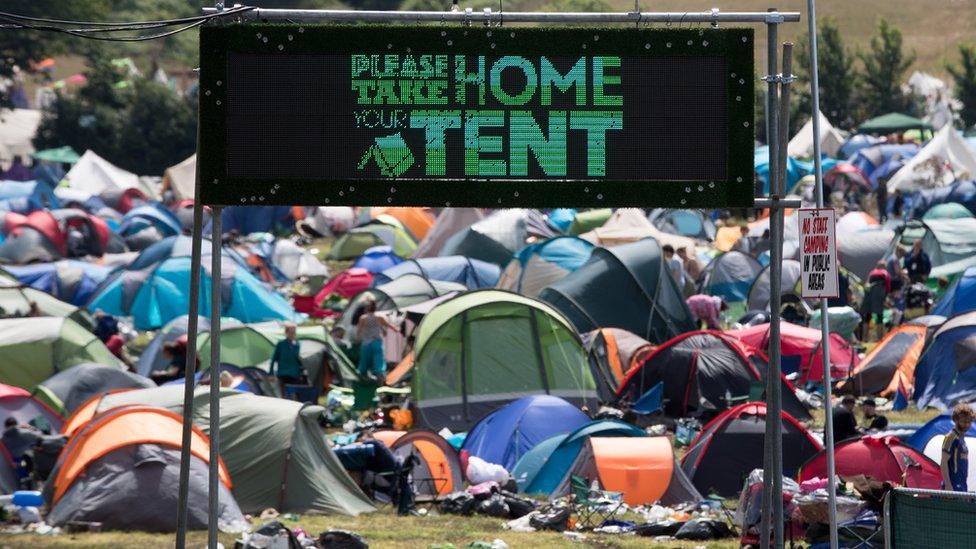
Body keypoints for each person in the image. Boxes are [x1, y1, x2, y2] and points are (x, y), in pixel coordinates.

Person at [356, 299, 396, 381]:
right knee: (379, 362)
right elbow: (390, 326)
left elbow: (359, 331)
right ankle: (380, 378)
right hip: (377, 342)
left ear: (366, 309)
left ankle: (363, 378)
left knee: (364, 362)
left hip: (366, 343)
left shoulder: (363, 318)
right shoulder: (379, 317)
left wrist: (358, 339)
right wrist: (396, 329)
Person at [941, 403, 973, 492]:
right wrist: (948, 485)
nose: (966, 425)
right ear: (955, 420)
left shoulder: (961, 438)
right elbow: (943, 462)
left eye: (969, 422)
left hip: (962, 485)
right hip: (952, 487)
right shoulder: (951, 437)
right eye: (963, 421)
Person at [2, 418, 41, 483]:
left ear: (6, 426)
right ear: (16, 424)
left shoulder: (3, 439)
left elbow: (6, 453)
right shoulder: (26, 431)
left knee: (24, 478)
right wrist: (29, 427)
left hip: (18, 461)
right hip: (31, 457)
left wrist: (12, 463)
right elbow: (39, 436)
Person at [270, 322, 305, 387]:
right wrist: (271, 374)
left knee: (292, 395)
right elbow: (273, 359)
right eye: (290, 332)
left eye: (294, 332)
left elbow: (299, 360)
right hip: (282, 375)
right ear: (286, 333)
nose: (292, 334)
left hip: (294, 375)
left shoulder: (298, 345)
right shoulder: (281, 344)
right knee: (283, 395)